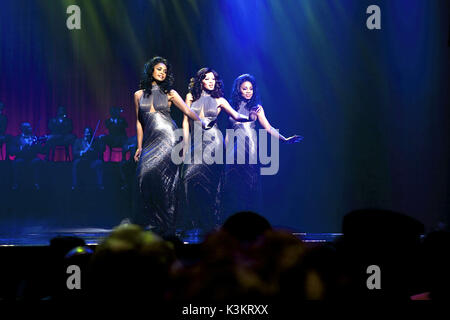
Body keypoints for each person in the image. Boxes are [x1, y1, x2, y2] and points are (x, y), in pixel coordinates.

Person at [133, 56, 204, 236]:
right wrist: (139, 146)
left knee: (166, 182)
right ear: (151, 71)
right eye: (159, 69)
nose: (162, 73)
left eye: (165, 71)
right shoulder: (138, 94)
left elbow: (187, 111)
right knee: (144, 177)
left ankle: (167, 225)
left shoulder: (170, 93)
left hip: (169, 137)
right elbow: (139, 122)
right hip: (150, 141)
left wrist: (201, 121)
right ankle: (155, 222)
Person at [180, 68, 254, 236]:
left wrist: (250, 117)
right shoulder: (191, 97)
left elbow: (236, 115)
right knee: (189, 178)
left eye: (213, 79)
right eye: (207, 79)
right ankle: (191, 222)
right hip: (196, 142)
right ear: (201, 81)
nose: (211, 81)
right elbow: (185, 121)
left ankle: (210, 224)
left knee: (212, 183)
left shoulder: (220, 100)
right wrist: (185, 144)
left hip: (214, 142)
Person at [222, 74, 303, 218]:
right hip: (234, 151)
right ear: (238, 90)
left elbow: (268, 127)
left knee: (249, 185)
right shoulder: (230, 106)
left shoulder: (257, 108)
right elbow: (228, 133)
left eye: (251, 89)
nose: (248, 91)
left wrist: (284, 139)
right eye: (245, 88)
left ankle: (252, 222)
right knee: (233, 186)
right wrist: (225, 154)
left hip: (250, 148)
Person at [10, 122, 45, 190]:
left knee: (37, 161)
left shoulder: (34, 138)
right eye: (28, 127)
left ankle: (36, 183)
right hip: (21, 158)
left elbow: (41, 151)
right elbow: (12, 152)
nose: (31, 128)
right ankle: (16, 183)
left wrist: (39, 143)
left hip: (32, 158)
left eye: (30, 127)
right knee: (18, 162)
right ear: (23, 129)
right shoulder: (17, 138)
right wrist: (21, 148)